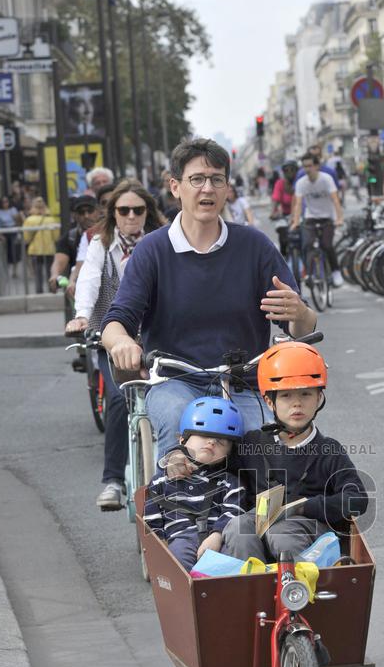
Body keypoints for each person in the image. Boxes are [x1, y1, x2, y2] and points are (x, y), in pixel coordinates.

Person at [101, 137, 317, 466]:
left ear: (227, 187)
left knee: (266, 447)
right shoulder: (152, 251)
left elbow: (299, 325)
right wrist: (120, 343)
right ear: (175, 187)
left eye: (217, 180)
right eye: (197, 179)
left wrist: (300, 313)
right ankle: (175, 507)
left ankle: (262, 516)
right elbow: (118, 319)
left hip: (244, 382)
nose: (207, 189)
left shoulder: (254, 246)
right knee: (177, 428)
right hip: (175, 382)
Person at [221, 342, 368, 561]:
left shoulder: (329, 450)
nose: (297, 404)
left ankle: (296, 593)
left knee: (281, 535)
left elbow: (357, 500)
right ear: (270, 402)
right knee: (237, 528)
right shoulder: (251, 443)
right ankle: (251, 589)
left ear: (319, 399)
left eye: (306, 394)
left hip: (308, 527)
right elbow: (214, 463)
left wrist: (305, 507)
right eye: (286, 396)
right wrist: (178, 454)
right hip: (260, 518)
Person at [68, 179, 164, 510]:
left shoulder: (162, 242)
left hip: (156, 338)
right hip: (112, 338)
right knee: (119, 400)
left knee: (176, 398)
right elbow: (89, 280)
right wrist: (81, 316)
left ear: (148, 212)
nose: (131, 216)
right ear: (114, 213)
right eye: (124, 210)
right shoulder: (100, 244)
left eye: (138, 210)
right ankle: (112, 482)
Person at [143, 396, 245, 571]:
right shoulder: (162, 480)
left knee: (233, 561)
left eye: (221, 441)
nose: (212, 442)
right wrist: (160, 545)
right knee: (177, 559)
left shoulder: (230, 482)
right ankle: (186, 597)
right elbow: (152, 521)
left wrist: (217, 535)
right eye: (204, 435)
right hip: (180, 539)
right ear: (182, 440)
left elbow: (233, 513)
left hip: (219, 538)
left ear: (229, 454)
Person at [291, 151, 344, 287]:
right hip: (311, 218)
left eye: (309, 166)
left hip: (327, 218)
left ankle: (335, 271)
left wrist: (339, 218)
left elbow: (335, 200)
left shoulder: (326, 179)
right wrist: (296, 222)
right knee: (307, 245)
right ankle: (309, 274)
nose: (307, 169)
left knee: (327, 245)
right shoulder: (301, 183)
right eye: (304, 166)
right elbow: (298, 204)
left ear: (316, 166)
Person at [49, 194, 98, 299]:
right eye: (81, 212)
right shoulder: (70, 237)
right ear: (75, 215)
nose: (86, 216)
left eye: (90, 211)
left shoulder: (109, 232)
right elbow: (60, 260)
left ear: (97, 211)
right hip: (82, 293)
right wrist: (55, 275)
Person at [22, 197, 59, 294]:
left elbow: (26, 238)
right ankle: (51, 290)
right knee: (49, 271)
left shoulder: (29, 220)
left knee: (38, 273)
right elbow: (56, 237)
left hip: (35, 250)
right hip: (49, 250)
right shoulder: (51, 220)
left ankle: (39, 291)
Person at [270, 160, 298, 258]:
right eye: (286, 170)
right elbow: (275, 198)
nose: (289, 172)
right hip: (286, 215)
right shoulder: (280, 184)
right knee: (283, 235)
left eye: (292, 170)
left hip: (301, 215)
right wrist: (273, 212)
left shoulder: (300, 182)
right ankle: (284, 257)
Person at [0, 196, 23, 277]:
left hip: (13, 230)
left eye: (6, 201)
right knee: (6, 252)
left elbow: (18, 221)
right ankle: (7, 270)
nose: (5, 204)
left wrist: (17, 218)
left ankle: (15, 271)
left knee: (15, 251)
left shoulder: (13, 210)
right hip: (4, 232)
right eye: (3, 202)